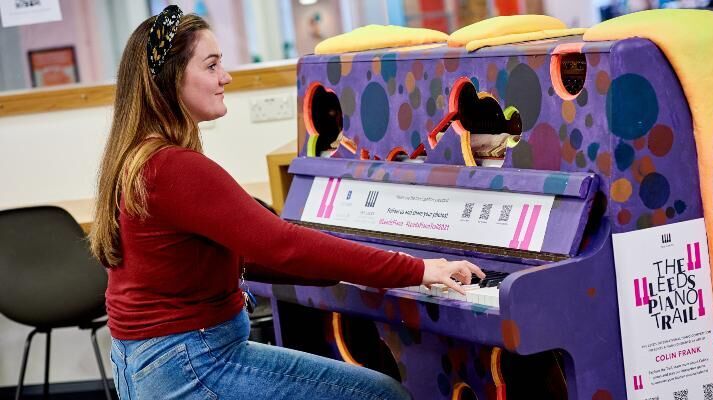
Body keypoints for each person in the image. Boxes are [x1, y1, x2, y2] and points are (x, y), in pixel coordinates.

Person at [89, 6, 484, 400]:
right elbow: (283, 245)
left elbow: (257, 253)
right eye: (211, 66)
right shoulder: (173, 167)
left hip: (154, 362)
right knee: (382, 395)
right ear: (170, 80)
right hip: (192, 362)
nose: (225, 77)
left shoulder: (138, 158)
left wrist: (352, 268)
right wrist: (415, 268)